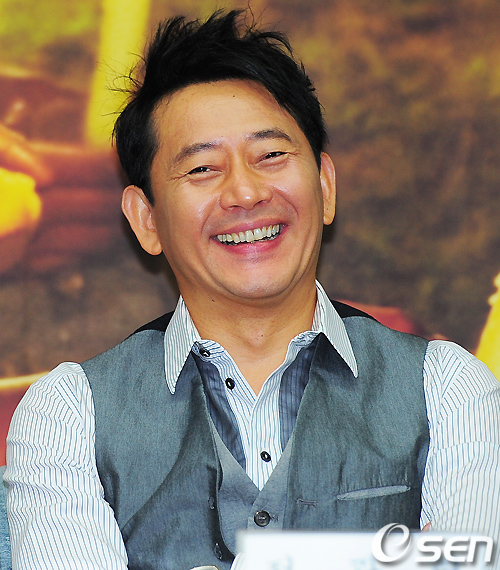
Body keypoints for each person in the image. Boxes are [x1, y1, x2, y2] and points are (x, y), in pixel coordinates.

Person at [4, 10, 500, 570]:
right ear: (146, 220)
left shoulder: (448, 391)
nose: (244, 192)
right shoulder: (69, 415)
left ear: (325, 187)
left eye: (271, 156)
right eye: (202, 168)